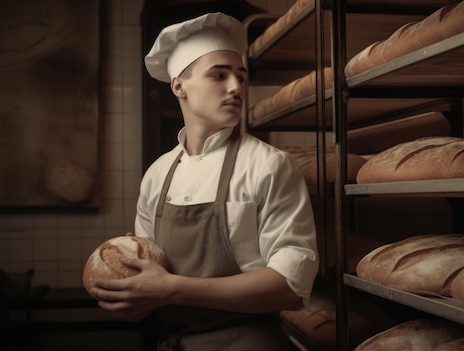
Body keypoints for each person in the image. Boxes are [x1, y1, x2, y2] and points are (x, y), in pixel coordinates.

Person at [89, 12, 319, 350]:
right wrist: (131, 295)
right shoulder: (157, 175)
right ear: (179, 86)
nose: (236, 87)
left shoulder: (269, 166)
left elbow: (290, 287)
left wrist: (172, 289)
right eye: (219, 75)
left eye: (240, 76)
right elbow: (148, 287)